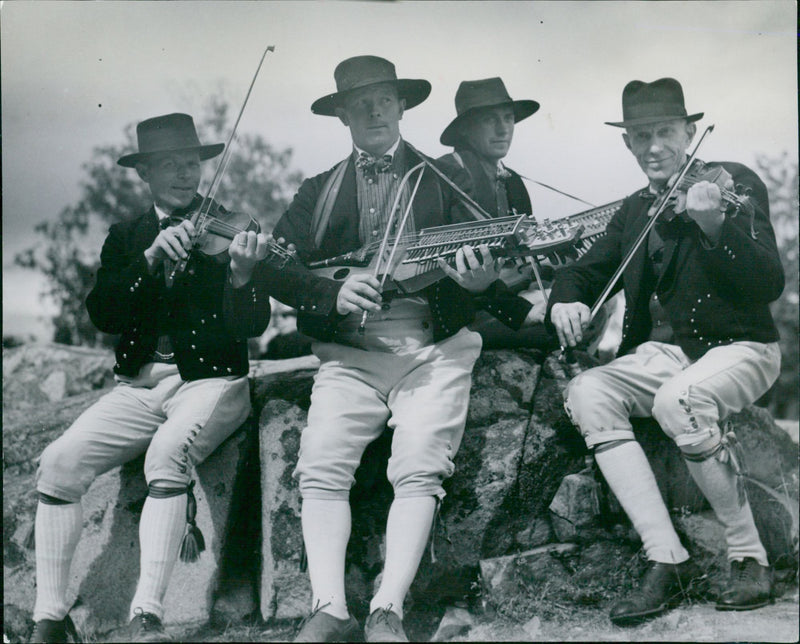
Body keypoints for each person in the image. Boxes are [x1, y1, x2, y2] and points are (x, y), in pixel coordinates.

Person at [269, 55, 501, 642]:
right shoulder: (317, 192)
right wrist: (331, 290)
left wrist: (478, 282)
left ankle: (387, 610)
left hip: (435, 350)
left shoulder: (448, 178)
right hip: (351, 357)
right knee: (320, 461)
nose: (375, 110)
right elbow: (274, 264)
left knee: (421, 461)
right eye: (361, 102)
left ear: (401, 107)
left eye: (385, 99)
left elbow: (488, 267)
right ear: (342, 114)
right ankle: (329, 607)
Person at [30, 113, 280, 643]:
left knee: (166, 453)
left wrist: (240, 275)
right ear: (145, 173)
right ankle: (48, 619)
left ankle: (148, 615)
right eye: (169, 164)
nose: (185, 174)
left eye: (191, 163)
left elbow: (254, 325)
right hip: (139, 387)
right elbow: (102, 314)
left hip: (213, 385)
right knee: (57, 463)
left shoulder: (233, 230)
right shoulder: (126, 237)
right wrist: (145, 263)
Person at [547, 78, 784, 625]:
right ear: (627, 143)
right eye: (640, 135)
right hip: (669, 356)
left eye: (665, 132)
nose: (654, 146)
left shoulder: (734, 183)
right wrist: (565, 299)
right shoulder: (636, 209)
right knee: (588, 391)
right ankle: (666, 558)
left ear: (690, 133)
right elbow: (585, 268)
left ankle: (749, 557)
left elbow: (769, 281)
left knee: (679, 400)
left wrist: (713, 223)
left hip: (742, 346)